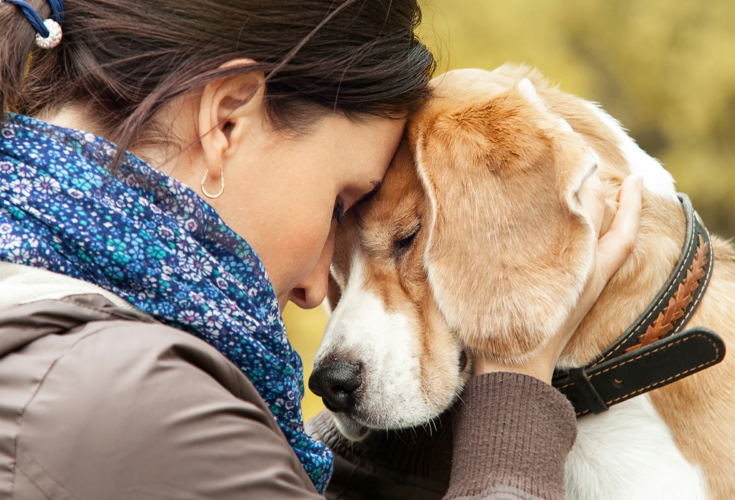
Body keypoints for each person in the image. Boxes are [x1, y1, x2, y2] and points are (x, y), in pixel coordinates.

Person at [0, 0, 642, 498]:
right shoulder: (134, 402)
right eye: (339, 204)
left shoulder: (48, 319)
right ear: (226, 120)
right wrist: (515, 385)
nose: (314, 291)